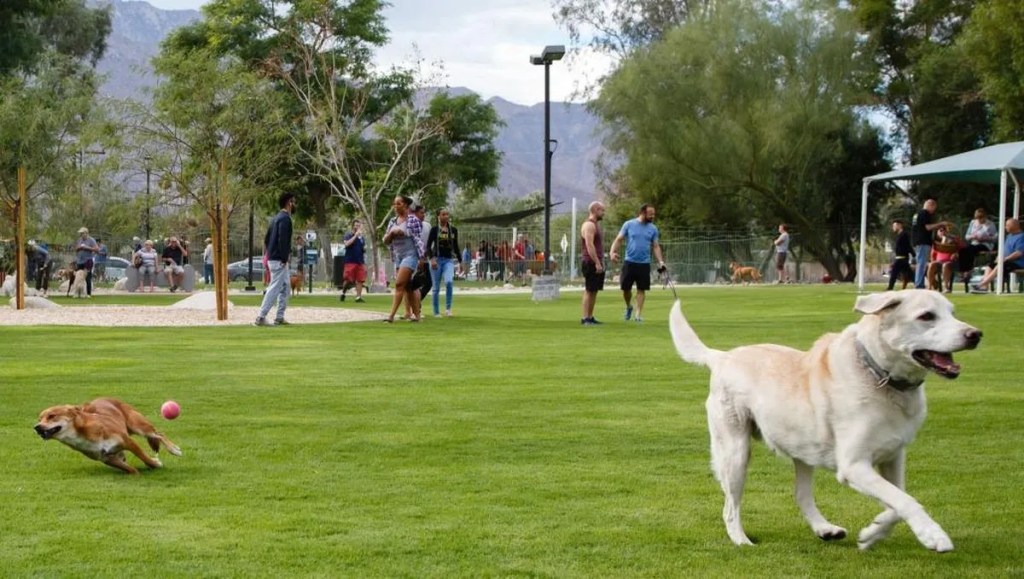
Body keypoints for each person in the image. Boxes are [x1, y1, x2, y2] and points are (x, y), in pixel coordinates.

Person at [609, 203, 665, 323]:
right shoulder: (629, 224)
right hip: (629, 262)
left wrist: (661, 262)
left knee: (641, 289)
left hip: (644, 263)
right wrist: (612, 252)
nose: (653, 216)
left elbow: (655, 246)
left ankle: (638, 315)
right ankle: (629, 306)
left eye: (654, 214)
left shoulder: (653, 229)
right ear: (643, 213)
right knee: (625, 289)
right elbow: (619, 239)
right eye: (650, 214)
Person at [254, 192, 297, 326]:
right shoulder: (285, 219)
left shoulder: (275, 218)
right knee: (275, 287)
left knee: (285, 287)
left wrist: (271, 253)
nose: (295, 205)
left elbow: (267, 239)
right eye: (294, 202)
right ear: (289, 202)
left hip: (274, 257)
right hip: (279, 259)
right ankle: (261, 317)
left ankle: (279, 317)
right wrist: (284, 257)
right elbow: (283, 239)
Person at [383, 195, 425, 323]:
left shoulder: (413, 220)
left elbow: (418, 239)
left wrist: (421, 258)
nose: (396, 206)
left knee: (399, 284)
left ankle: (391, 316)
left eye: (399, 204)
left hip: (410, 255)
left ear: (406, 205)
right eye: (395, 204)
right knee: (408, 288)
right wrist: (391, 234)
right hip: (398, 257)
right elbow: (386, 240)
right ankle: (417, 316)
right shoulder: (392, 221)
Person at [971, 218, 1024, 293]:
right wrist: (998, 257)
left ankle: (981, 284)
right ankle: (983, 288)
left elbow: (1019, 253)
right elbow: (1004, 250)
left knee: (1000, 265)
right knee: (989, 266)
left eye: (1007, 225)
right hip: (1007, 262)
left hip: (1018, 263)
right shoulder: (1009, 236)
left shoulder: (1022, 237)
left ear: (1015, 226)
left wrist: (1005, 259)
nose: (1005, 227)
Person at [427, 208, 462, 317]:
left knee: (449, 282)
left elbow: (456, 247)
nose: (446, 216)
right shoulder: (434, 230)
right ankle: (436, 312)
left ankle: (448, 309)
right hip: (436, 260)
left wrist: (461, 261)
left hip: (448, 260)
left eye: (447, 214)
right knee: (436, 288)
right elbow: (428, 246)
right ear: (438, 216)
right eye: (443, 214)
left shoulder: (453, 230)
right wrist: (432, 259)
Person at [957, 208, 997, 288]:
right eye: (977, 218)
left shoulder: (990, 224)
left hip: (986, 244)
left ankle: (969, 270)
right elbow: (967, 236)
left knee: (973, 249)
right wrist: (972, 236)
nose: (979, 220)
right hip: (974, 242)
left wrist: (985, 238)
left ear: (985, 217)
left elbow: (995, 237)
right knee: (963, 250)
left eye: (981, 218)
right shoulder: (973, 223)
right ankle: (964, 271)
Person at [580, 201, 606, 325]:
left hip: (597, 261)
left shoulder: (596, 225)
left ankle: (590, 317)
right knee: (589, 289)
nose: (603, 213)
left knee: (594, 290)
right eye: (602, 210)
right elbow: (589, 245)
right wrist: (596, 262)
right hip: (590, 262)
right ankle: (585, 318)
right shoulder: (589, 225)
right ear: (595, 210)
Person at [911, 199, 946, 289]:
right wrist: (940, 224)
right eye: (934, 208)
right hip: (923, 241)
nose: (933, 211)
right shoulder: (925, 213)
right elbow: (927, 227)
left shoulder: (916, 214)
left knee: (920, 262)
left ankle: (919, 282)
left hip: (917, 241)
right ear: (931, 205)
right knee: (922, 263)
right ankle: (919, 284)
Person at [926, 224, 959, 293]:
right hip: (938, 262)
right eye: (940, 231)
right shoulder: (936, 244)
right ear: (937, 232)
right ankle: (930, 286)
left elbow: (957, 251)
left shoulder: (952, 241)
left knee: (945, 265)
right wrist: (932, 262)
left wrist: (954, 254)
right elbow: (932, 256)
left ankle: (946, 287)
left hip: (949, 262)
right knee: (931, 265)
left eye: (944, 231)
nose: (942, 232)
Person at [340, 219, 367, 303]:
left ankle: (358, 297)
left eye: (359, 226)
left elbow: (362, 248)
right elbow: (347, 244)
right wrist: (355, 236)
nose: (357, 227)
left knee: (360, 279)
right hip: (350, 261)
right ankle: (343, 293)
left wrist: (364, 249)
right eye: (356, 225)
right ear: (353, 226)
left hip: (360, 261)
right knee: (348, 280)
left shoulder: (362, 237)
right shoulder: (348, 234)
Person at [887, 219, 913, 291]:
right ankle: (919, 284)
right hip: (900, 258)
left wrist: (914, 255)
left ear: (899, 225)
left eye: (894, 226)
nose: (893, 228)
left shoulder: (904, 234)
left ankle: (890, 288)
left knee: (894, 272)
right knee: (909, 274)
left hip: (902, 258)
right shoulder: (899, 235)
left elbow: (908, 246)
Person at [73, 227, 99, 297]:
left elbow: (97, 249)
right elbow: (76, 248)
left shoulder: (91, 240)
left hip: (88, 261)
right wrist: (79, 248)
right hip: (80, 261)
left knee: (87, 277)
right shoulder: (79, 240)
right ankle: (78, 293)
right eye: (80, 234)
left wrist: (86, 247)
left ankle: (88, 293)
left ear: (86, 233)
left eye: (82, 233)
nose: (81, 235)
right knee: (78, 277)